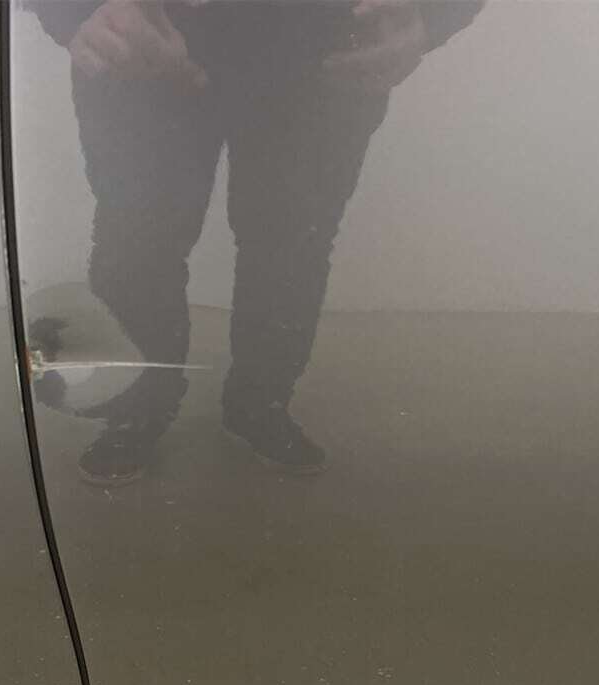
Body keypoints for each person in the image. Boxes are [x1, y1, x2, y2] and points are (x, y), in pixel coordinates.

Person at [33, 1, 483, 485]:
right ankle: (141, 410)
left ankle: (258, 402)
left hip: (317, 48)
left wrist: (437, 12)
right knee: (137, 242)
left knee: (291, 245)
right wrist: (75, 10)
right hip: (151, 34)